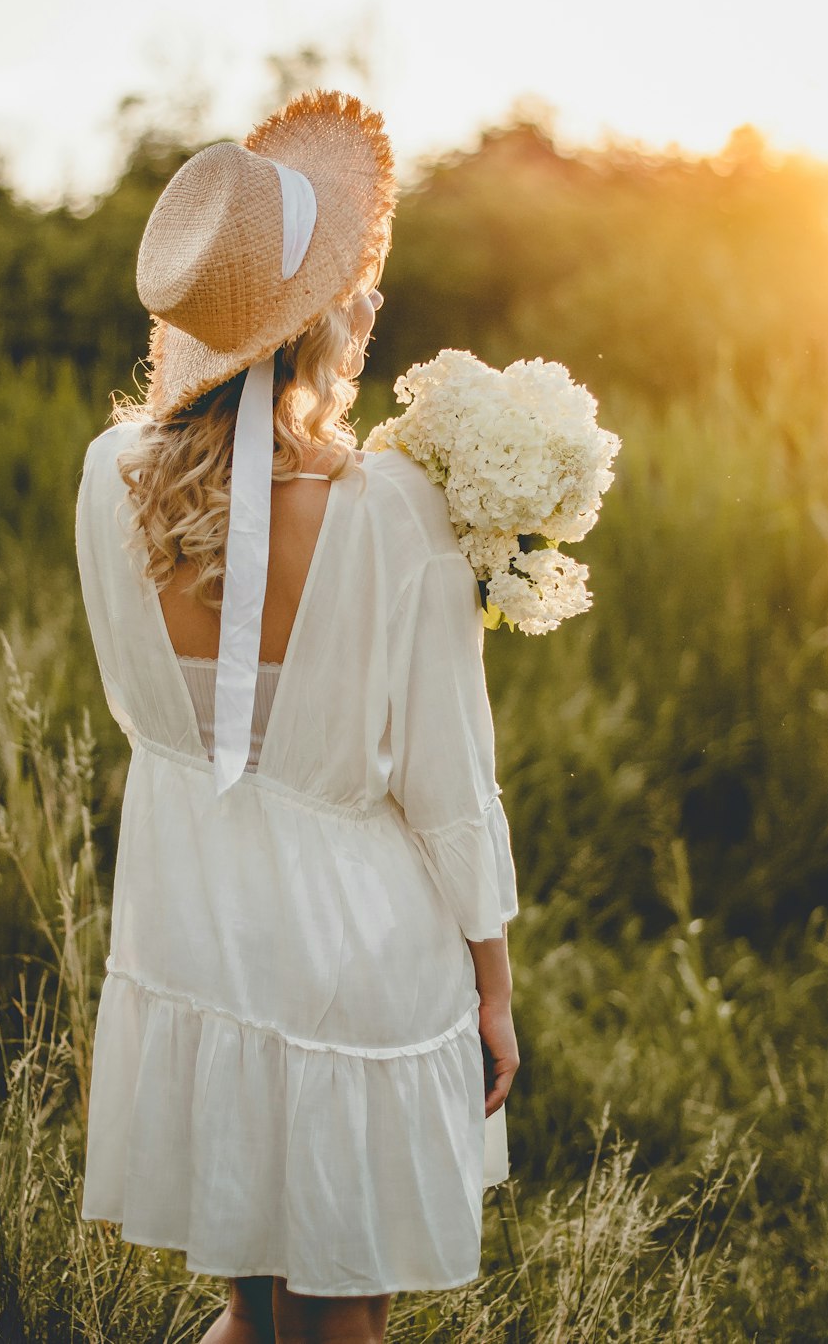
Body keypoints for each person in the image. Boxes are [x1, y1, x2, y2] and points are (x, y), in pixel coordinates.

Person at [74, 90, 520, 1344]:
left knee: (251, 1314)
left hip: (197, 942)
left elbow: (162, 720)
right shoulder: (391, 514)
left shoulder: (108, 479)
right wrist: (493, 988)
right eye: (357, 284)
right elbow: (448, 783)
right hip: (353, 970)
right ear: (325, 316)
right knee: (338, 1325)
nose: (370, 303)